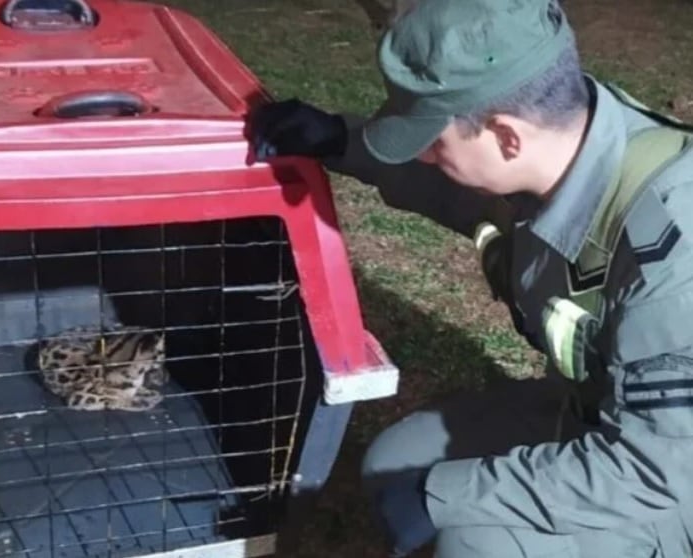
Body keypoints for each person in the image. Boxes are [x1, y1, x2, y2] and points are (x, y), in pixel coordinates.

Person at [247, 0, 693, 556]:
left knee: (476, 539)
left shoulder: (675, 252)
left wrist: (446, 497)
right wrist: (339, 138)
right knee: (393, 463)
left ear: (506, 137)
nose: (427, 158)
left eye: (434, 141)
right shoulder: (562, 140)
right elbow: (452, 189)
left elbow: (656, 472)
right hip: (608, 413)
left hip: (669, 478)